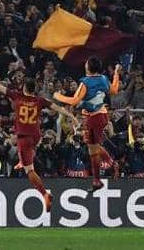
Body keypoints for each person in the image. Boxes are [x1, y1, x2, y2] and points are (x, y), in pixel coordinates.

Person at [0, 74, 77, 209]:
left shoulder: (17, 96)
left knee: (29, 171)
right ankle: (23, 160)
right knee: (24, 150)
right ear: (35, 89)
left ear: (24, 88)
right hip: (36, 136)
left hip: (24, 137)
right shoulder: (40, 100)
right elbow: (57, 107)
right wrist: (70, 115)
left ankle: (45, 194)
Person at [53, 57, 120, 192]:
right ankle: (106, 169)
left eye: (86, 63)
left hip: (93, 118)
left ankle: (101, 177)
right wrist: (116, 74)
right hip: (102, 115)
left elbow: (74, 101)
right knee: (93, 147)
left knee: (92, 150)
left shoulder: (86, 82)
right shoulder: (103, 78)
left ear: (88, 67)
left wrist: (57, 96)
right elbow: (114, 91)